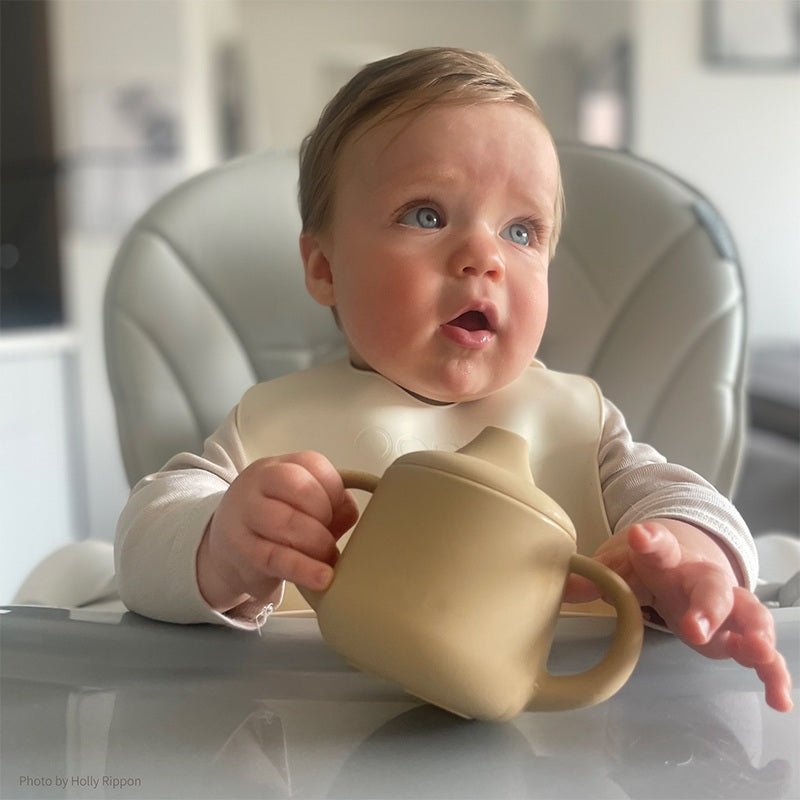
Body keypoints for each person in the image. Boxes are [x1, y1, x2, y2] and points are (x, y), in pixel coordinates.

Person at [115, 47, 792, 712]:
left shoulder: (576, 426)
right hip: (313, 728)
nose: (483, 256)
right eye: (426, 215)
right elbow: (143, 538)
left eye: (521, 232)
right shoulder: (272, 427)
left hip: (562, 743)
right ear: (324, 269)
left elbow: (685, 499)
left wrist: (689, 562)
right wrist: (222, 545)